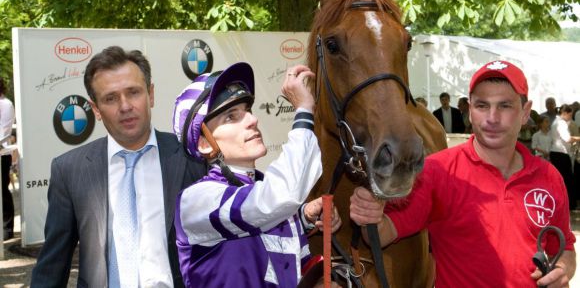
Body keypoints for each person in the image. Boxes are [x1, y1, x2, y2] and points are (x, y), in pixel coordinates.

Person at [350, 60, 576, 287]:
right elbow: (380, 234)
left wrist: (562, 269)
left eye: (505, 106)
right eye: (482, 106)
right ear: (469, 110)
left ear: (526, 112)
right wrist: (370, 216)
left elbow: (564, 246)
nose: (492, 118)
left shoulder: (549, 176)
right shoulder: (437, 171)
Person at [31, 46, 207, 287]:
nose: (125, 106)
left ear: (151, 94)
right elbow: (53, 266)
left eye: (133, 92)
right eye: (111, 98)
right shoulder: (69, 170)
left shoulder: (192, 156)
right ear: (96, 109)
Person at [172, 62, 341, 287]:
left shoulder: (268, 199)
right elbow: (273, 199)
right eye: (231, 117)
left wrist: (302, 219)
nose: (252, 120)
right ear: (204, 143)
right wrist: (304, 111)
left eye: (247, 111)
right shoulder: (195, 201)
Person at [549, 104, 580, 211]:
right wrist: (578, 138)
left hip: (556, 153)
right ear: (565, 113)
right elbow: (567, 139)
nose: (570, 117)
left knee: (562, 179)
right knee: (567, 180)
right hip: (560, 153)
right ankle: (569, 204)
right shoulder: (560, 123)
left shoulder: (557, 122)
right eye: (570, 115)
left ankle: (563, 204)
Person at [0, 77, 15, 240]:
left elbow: (4, 132)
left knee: (2, 190)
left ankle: (7, 228)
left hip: (2, 155)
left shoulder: (6, 104)